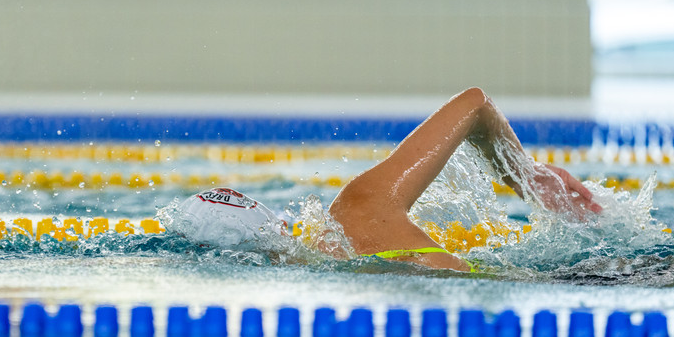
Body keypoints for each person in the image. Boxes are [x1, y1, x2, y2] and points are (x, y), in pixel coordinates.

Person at [170, 87, 602, 271]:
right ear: (276, 224)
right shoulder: (358, 211)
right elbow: (475, 102)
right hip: (602, 271)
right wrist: (525, 177)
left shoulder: (334, 289)